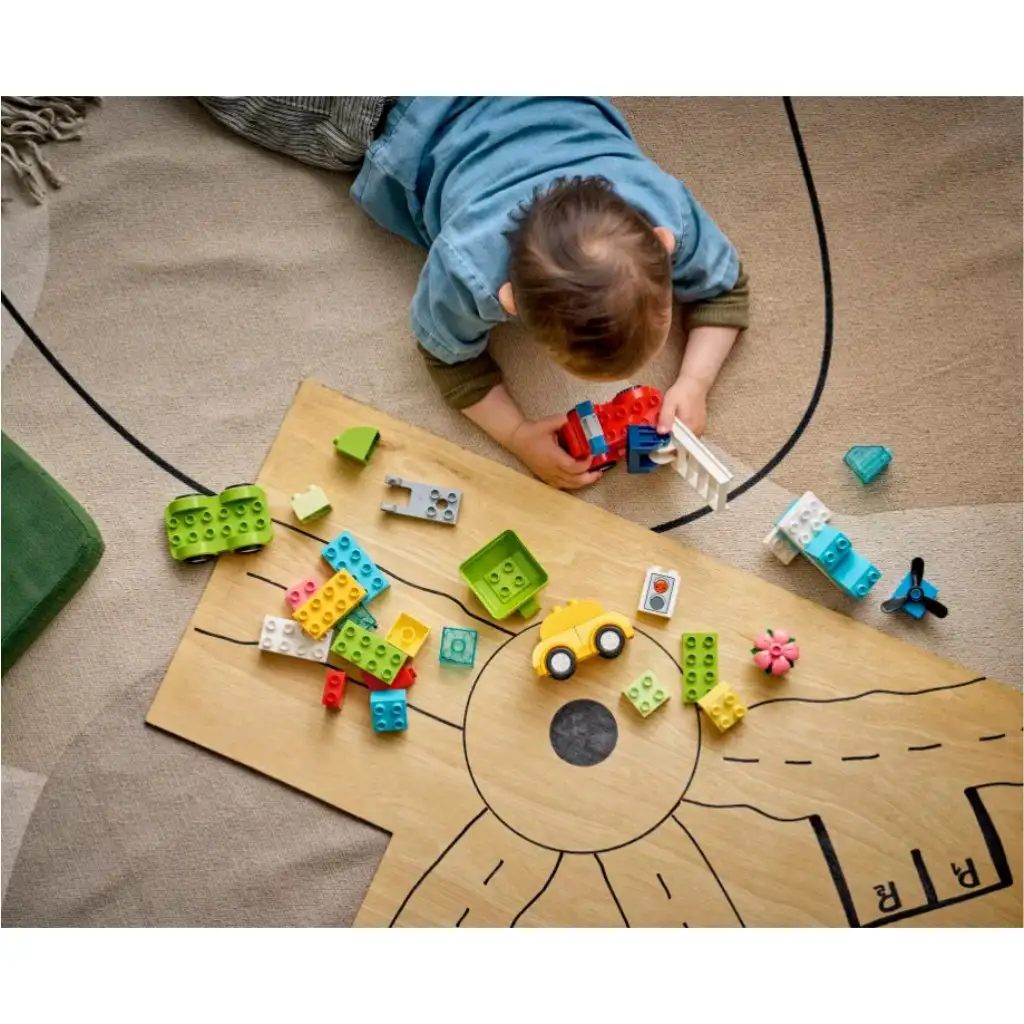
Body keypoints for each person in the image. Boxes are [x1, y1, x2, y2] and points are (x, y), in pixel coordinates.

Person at [198, 97, 749, 489]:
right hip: (375, 111)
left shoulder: (659, 202)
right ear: (507, 301)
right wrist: (516, 435)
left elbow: (727, 292)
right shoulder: (468, 271)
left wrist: (694, 382)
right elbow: (447, 358)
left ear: (663, 242)